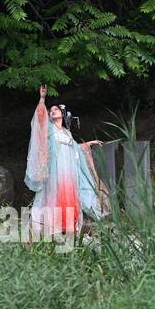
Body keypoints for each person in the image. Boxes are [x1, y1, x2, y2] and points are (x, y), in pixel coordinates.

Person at [23, 85, 107, 239]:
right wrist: (42, 99)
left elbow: (74, 149)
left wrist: (88, 144)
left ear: (62, 113)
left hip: (69, 171)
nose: (52, 111)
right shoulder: (49, 129)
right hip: (55, 170)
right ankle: (49, 229)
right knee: (53, 195)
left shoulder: (66, 132)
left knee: (70, 196)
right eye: (51, 110)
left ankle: (69, 229)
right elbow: (40, 119)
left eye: (55, 109)